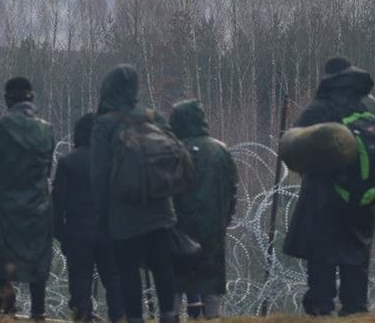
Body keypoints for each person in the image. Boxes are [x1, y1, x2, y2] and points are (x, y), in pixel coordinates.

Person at [282, 57, 375, 316]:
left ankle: (320, 306)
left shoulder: (320, 106)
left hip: (323, 193)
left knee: (322, 252)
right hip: (364, 193)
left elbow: (293, 148)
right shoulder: (372, 105)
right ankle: (356, 308)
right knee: (357, 252)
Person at [90, 64, 180, 323]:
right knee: (163, 265)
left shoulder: (104, 124)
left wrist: (102, 213)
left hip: (123, 210)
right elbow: (174, 152)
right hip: (160, 206)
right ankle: (169, 315)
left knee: (127, 269)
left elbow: (99, 174)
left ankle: (135, 318)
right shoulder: (154, 117)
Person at [0, 77, 55, 319]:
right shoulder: (46, 130)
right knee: (37, 264)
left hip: (3, 209)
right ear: (31, 98)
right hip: (37, 208)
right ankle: (39, 313)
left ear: (8, 99)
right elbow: (47, 171)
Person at [169, 99, 239, 319]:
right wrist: (225, 217)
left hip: (179, 223)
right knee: (210, 277)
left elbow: (165, 188)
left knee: (174, 277)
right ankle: (213, 316)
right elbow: (232, 188)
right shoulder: (220, 149)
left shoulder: (174, 151)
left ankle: (170, 316)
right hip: (212, 224)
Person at [52, 112, 123, 322]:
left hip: (78, 231)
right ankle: (118, 317)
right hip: (110, 230)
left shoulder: (68, 162)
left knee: (80, 283)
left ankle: (83, 317)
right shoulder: (112, 160)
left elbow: (57, 203)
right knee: (115, 282)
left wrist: (62, 234)